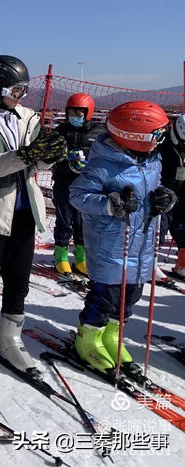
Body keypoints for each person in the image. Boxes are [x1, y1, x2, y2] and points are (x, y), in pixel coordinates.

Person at [0, 55, 67, 379]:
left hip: (24, 210)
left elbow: (36, 167)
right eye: (15, 89)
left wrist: (48, 157)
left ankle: (9, 337)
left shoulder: (28, 117)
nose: (21, 95)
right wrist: (31, 154)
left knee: (18, 278)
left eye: (23, 89)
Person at [71, 101, 176, 372]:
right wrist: (110, 204)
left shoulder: (151, 160)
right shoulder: (104, 164)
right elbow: (78, 195)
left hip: (140, 244)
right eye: (158, 134)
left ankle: (112, 334)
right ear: (136, 136)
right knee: (105, 296)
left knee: (131, 296)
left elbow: (156, 188)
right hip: (112, 245)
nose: (161, 140)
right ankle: (89, 336)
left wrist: (165, 198)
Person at [51, 93, 104, 276]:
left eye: (79, 113)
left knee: (83, 221)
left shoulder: (98, 134)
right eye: (71, 113)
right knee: (64, 218)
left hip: (87, 185)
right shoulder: (61, 131)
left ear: (88, 113)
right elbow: (50, 155)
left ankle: (81, 257)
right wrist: (64, 156)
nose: (74, 116)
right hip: (64, 182)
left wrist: (89, 163)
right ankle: (61, 256)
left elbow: (103, 158)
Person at [159, 114, 185, 277]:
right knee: (160, 226)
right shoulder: (164, 144)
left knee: (182, 226)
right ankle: (150, 263)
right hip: (164, 190)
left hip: (183, 190)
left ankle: (182, 263)